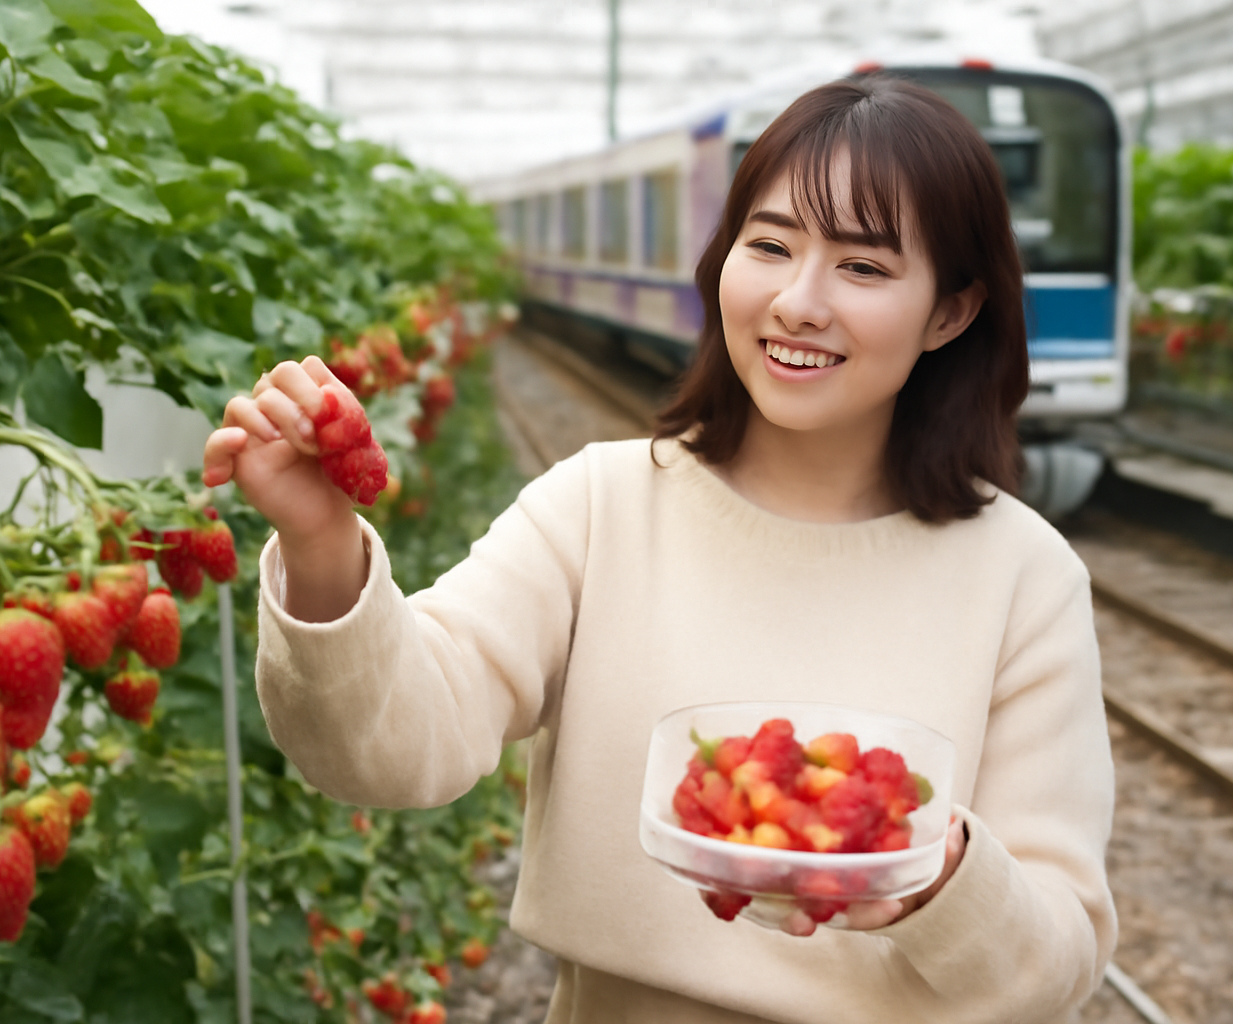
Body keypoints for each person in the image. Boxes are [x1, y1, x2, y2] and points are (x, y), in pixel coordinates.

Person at [202, 75, 1116, 1024]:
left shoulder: (1024, 578)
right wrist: (318, 539)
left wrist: (937, 873)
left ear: (950, 314)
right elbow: (390, 749)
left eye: (865, 268)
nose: (800, 302)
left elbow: (1054, 966)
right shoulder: (602, 508)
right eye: (769, 247)